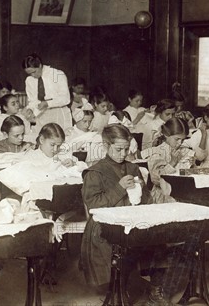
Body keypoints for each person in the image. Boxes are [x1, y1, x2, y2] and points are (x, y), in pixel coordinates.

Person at [81, 124, 174, 305]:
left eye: (126, 149)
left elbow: (146, 197)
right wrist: (120, 188)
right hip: (105, 224)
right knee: (121, 245)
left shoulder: (132, 168)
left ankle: (156, 288)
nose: (123, 154)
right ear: (106, 146)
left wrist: (143, 198)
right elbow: (93, 204)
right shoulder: (95, 172)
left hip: (134, 218)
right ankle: (118, 287)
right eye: (118, 149)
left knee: (158, 238)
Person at [141, 118, 194, 203]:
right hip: (163, 197)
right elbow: (155, 179)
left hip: (184, 192)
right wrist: (172, 163)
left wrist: (191, 168)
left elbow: (190, 174)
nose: (180, 143)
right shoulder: (156, 152)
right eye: (177, 139)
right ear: (166, 135)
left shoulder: (185, 152)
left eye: (183, 140)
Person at [22, 53, 71, 132]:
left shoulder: (57, 74)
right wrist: (30, 109)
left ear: (40, 65)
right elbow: (33, 100)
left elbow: (66, 99)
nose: (32, 75)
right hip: (41, 115)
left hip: (58, 114)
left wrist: (48, 103)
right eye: (29, 73)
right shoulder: (29, 80)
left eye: (34, 72)